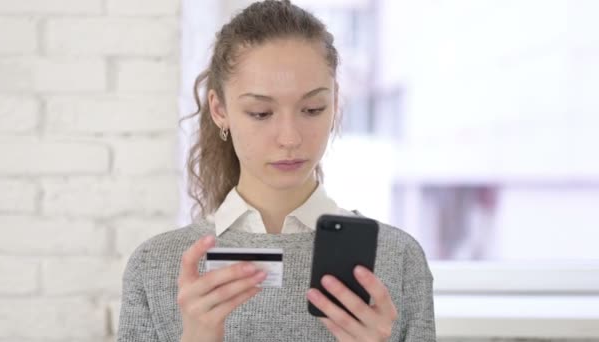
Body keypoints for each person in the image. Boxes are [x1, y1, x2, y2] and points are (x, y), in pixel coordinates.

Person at [117, 1, 436, 341]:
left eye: (312, 109)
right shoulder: (155, 266)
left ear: (335, 101)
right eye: (260, 113)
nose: (289, 138)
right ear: (219, 110)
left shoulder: (397, 258)